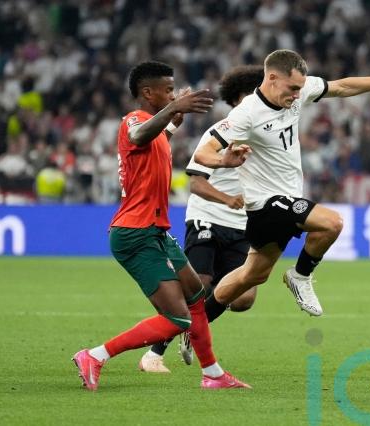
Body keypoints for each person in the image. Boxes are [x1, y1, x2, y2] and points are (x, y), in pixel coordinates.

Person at [194, 49, 370, 321]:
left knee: (251, 276)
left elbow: (342, 87)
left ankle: (194, 326)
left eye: (300, 88)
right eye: (293, 88)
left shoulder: (298, 91)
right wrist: (224, 161)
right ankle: (300, 276)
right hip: (266, 203)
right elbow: (202, 153)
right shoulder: (246, 113)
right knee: (332, 223)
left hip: (287, 198)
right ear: (272, 78)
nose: (297, 95)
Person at [72, 60, 250, 390]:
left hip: (156, 231)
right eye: (167, 90)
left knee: (197, 296)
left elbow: (152, 142)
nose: (172, 94)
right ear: (147, 92)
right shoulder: (133, 120)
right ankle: (95, 355)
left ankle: (213, 375)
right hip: (135, 234)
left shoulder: (155, 131)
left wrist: (174, 125)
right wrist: (173, 110)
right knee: (178, 317)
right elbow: (139, 134)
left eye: (173, 90)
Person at [139, 65, 264, 373]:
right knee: (200, 286)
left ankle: (191, 330)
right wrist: (227, 199)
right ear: (239, 99)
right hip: (208, 217)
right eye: (255, 95)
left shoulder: (268, 134)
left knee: (243, 298)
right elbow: (195, 183)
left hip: (242, 225)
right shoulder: (220, 132)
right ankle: (154, 353)